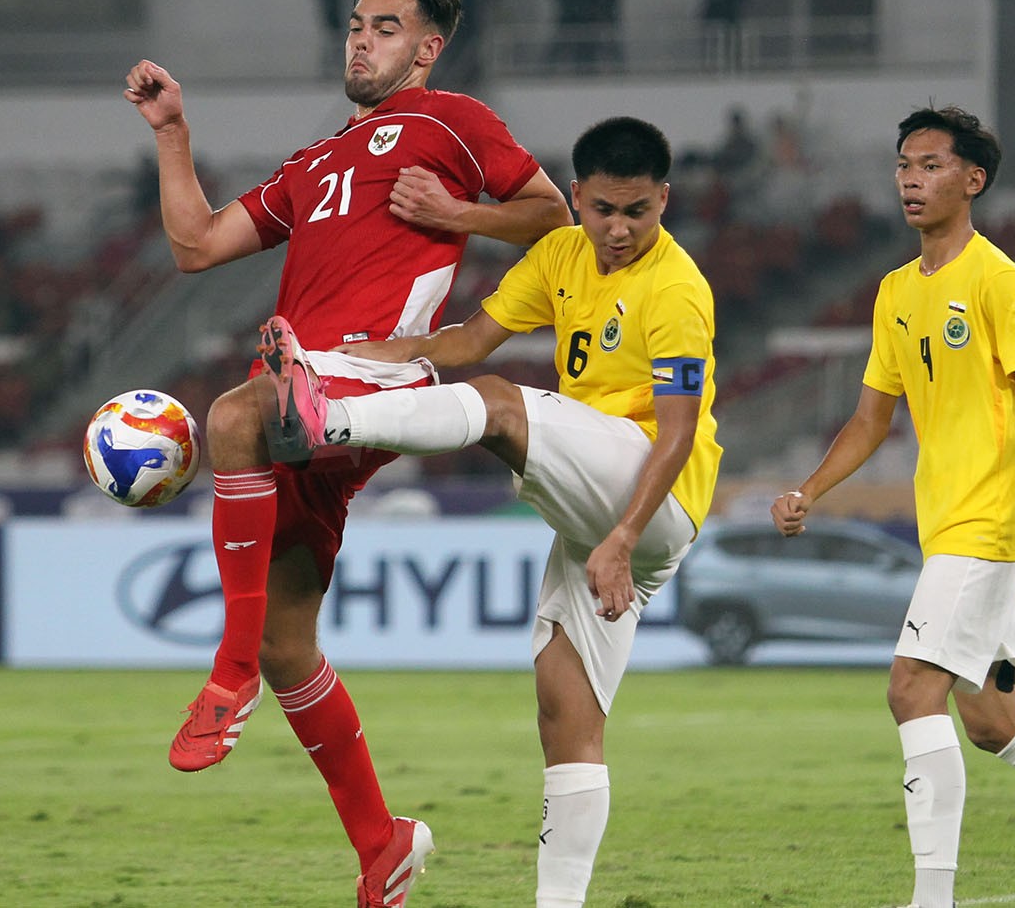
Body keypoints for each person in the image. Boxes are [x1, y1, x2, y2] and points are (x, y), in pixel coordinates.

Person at [123, 0, 570, 905]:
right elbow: (197, 246)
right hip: (305, 396)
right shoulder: (316, 162)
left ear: (427, 48)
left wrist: (457, 214)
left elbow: (553, 216)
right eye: (357, 25)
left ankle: (227, 672)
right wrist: (172, 133)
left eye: (386, 28)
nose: (362, 41)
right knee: (289, 641)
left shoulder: (452, 120)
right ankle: (383, 844)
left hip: (376, 375)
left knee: (234, 414)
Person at [260, 116, 721, 908]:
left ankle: (327, 421)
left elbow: (677, 435)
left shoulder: (677, 289)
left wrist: (622, 537)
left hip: (652, 494)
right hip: (601, 513)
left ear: (664, 201)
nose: (618, 229)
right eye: (604, 209)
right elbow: (469, 339)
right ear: (576, 196)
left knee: (501, 406)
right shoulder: (561, 254)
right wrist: (366, 357)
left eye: (638, 212)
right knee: (565, 712)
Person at [770, 106, 1015, 908]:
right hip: (949, 529)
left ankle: (931, 898)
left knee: (910, 689)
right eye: (904, 164)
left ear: (973, 180)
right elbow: (871, 420)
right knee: (996, 722)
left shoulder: (999, 281)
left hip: (988, 521)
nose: (911, 178)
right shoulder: (896, 291)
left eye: (930, 165)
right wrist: (809, 490)